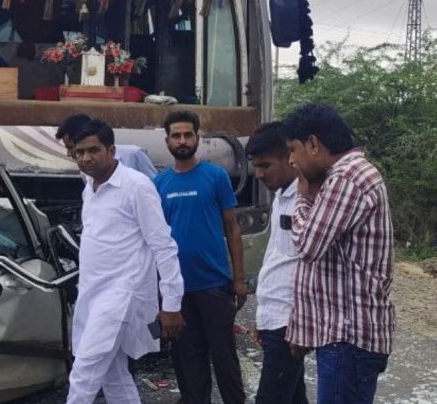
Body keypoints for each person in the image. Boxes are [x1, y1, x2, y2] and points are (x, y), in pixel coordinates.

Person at [282, 103, 395, 404]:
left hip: (349, 341)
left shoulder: (346, 177)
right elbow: (325, 269)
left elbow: (308, 247)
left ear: (314, 144)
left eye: (293, 150)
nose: (292, 161)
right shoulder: (343, 175)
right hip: (345, 339)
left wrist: (303, 198)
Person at [67, 119, 184, 403]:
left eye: (93, 150)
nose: (86, 158)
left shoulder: (136, 186)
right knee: (114, 376)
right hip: (92, 294)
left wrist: (171, 304)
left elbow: (164, 246)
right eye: (79, 152)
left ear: (111, 150)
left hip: (121, 297)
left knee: (84, 374)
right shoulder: (89, 187)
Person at [153, 110, 246, 404]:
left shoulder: (216, 177)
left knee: (225, 361)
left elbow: (232, 229)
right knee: (188, 365)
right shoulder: (159, 184)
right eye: (176, 136)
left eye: (188, 134)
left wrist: (239, 280)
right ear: (167, 140)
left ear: (197, 138)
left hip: (214, 286)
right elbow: (155, 240)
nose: (182, 141)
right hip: (177, 291)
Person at [245, 122, 307, 404]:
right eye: (255, 167)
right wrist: (263, 316)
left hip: (289, 323)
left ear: (289, 158)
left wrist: (301, 325)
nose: (258, 175)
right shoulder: (282, 196)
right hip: (276, 318)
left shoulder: (307, 200)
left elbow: (309, 268)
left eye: (265, 166)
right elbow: (276, 259)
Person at [55, 113, 157, 178]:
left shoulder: (133, 155)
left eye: (70, 147)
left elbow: (157, 188)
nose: (68, 153)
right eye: (81, 151)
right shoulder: (87, 173)